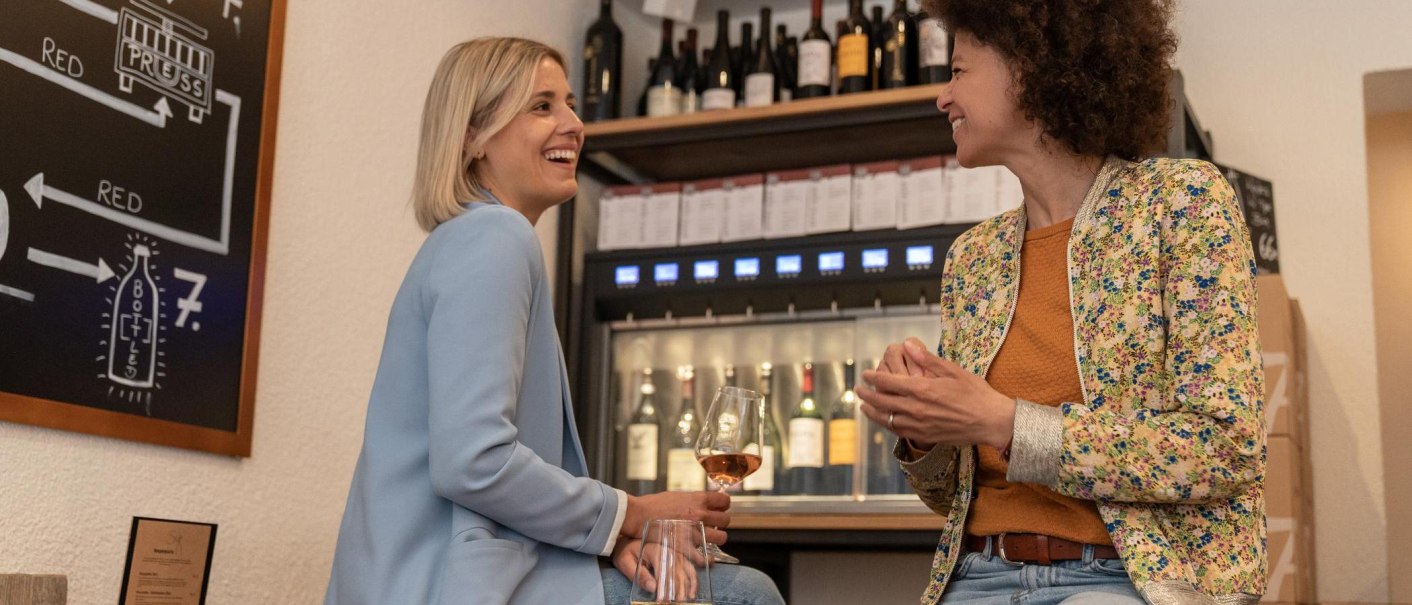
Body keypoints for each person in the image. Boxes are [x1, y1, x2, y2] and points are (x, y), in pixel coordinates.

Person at [322, 37, 784, 605]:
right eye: (541, 106)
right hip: (448, 590)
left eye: (569, 103)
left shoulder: (464, 240)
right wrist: (630, 516)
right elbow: (473, 462)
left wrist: (605, 543)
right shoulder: (496, 237)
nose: (573, 123)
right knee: (744, 594)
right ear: (472, 137)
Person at [853, 1, 1266, 604]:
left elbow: (1224, 450)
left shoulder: (1184, 205)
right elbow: (953, 497)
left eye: (960, 71)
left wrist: (1003, 421)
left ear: (1030, 67)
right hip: (976, 577)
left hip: (1129, 583)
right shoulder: (973, 259)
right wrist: (923, 429)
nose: (943, 97)